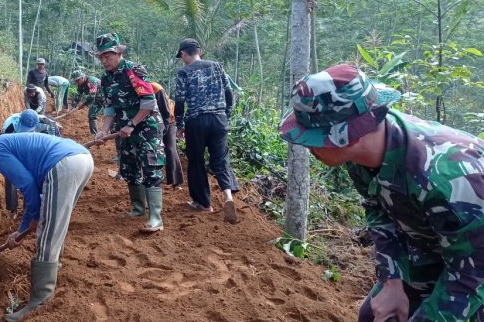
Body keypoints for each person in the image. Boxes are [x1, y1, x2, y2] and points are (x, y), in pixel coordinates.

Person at [278, 63, 484, 322]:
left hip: (474, 271)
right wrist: (391, 281)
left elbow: (471, 279)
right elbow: (378, 209)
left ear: (348, 136)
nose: (309, 148)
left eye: (315, 139)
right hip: (436, 249)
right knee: (376, 314)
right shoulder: (361, 155)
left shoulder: (450, 178)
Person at [0, 123, 94, 322]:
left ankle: (41, 298)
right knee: (56, 220)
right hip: (82, 159)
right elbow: (34, 187)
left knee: (46, 230)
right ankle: (55, 265)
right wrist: (22, 228)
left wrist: (35, 217)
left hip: (63, 165)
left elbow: (27, 185)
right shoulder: (12, 142)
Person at [94, 32, 166, 232]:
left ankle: (155, 218)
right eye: (101, 57)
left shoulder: (134, 71)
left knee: (151, 168)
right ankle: (137, 208)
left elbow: (149, 102)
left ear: (118, 53)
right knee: (130, 168)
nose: (104, 60)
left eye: (107, 56)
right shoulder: (106, 78)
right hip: (124, 131)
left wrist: (132, 124)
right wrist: (104, 130)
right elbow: (110, 107)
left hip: (146, 128)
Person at [174, 38, 239, 224]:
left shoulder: (184, 72)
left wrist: (179, 125)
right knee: (220, 159)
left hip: (197, 120)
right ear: (199, 51)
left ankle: (204, 203)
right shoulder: (216, 66)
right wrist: (226, 114)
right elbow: (228, 92)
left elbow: (179, 101)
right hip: (219, 119)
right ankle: (228, 196)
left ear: (185, 54)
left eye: (182, 56)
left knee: (196, 161)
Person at [1, 109, 63, 215]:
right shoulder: (10, 125)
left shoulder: (49, 125)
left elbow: (54, 147)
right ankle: (12, 209)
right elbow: (6, 147)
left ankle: (30, 209)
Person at [151, 82, 184, 189]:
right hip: (153, 122)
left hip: (169, 121)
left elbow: (166, 112)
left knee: (170, 148)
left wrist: (162, 131)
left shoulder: (156, 88)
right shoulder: (133, 89)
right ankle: (153, 177)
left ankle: (176, 181)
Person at [70, 71, 103, 135]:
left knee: (111, 115)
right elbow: (78, 95)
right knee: (91, 114)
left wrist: (83, 104)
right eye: (75, 81)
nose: (76, 82)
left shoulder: (91, 81)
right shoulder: (80, 84)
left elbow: (92, 95)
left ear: (82, 77)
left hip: (105, 97)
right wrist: (71, 107)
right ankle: (94, 135)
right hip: (97, 98)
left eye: (77, 80)